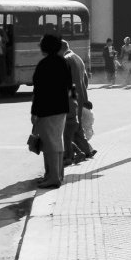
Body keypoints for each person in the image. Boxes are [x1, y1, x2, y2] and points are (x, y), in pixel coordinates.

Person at [30, 34, 73, 188]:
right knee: (57, 141)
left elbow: (39, 90)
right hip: (61, 108)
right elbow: (69, 86)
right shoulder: (63, 62)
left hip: (47, 109)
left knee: (50, 143)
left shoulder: (44, 64)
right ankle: (56, 175)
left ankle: (53, 177)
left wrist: (34, 112)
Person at [60, 40, 95, 166]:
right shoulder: (78, 58)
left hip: (71, 98)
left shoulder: (66, 60)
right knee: (77, 126)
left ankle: (68, 156)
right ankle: (86, 151)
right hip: (81, 97)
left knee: (68, 127)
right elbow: (85, 81)